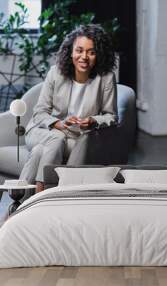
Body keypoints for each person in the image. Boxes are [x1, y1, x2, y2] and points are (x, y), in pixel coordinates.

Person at [20, 24, 118, 193]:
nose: (84, 57)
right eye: (79, 50)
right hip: (42, 131)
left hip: (75, 137)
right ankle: (42, 190)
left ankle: (18, 201)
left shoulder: (106, 78)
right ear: (71, 51)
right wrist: (60, 124)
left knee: (38, 152)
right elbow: (40, 112)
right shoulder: (55, 73)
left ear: (98, 55)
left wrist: (94, 121)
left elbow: (111, 116)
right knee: (55, 140)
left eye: (91, 52)